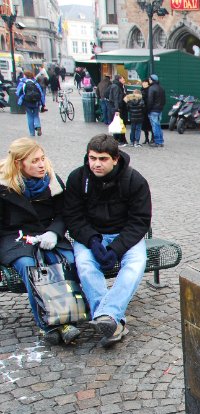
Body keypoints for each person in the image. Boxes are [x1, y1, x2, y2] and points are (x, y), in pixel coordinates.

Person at [63, 134, 152, 348]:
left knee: (135, 265)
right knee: (85, 266)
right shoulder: (77, 178)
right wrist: (93, 241)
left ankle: (106, 316)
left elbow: (139, 221)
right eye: (92, 158)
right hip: (91, 235)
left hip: (124, 236)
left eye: (102, 159)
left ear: (115, 159)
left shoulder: (134, 180)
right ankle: (113, 321)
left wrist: (116, 248)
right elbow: (73, 217)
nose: (96, 164)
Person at [0, 138, 82, 345]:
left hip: (47, 233)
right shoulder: (4, 186)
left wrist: (54, 233)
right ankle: (49, 324)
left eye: (42, 158)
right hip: (15, 238)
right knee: (30, 268)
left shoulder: (52, 181)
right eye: (35, 161)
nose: (41, 164)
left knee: (68, 260)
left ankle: (67, 317)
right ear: (19, 163)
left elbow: (64, 214)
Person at [16, 71, 45, 137]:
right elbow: (41, 94)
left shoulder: (23, 83)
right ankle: (38, 126)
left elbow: (18, 93)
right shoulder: (35, 83)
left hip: (27, 102)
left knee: (29, 116)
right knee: (36, 115)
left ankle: (32, 133)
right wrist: (43, 103)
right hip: (36, 102)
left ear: (25, 76)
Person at [146, 74, 166, 148]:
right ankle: (161, 141)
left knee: (155, 126)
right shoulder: (161, 88)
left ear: (152, 80)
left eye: (149, 79)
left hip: (153, 110)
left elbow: (150, 101)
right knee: (158, 125)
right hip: (159, 109)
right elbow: (164, 100)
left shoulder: (151, 88)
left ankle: (157, 141)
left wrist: (148, 109)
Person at [140, 79, 153, 145]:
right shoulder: (141, 90)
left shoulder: (150, 90)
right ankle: (146, 138)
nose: (144, 83)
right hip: (143, 110)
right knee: (144, 125)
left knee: (150, 125)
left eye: (145, 82)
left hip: (149, 109)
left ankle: (152, 138)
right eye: (143, 82)